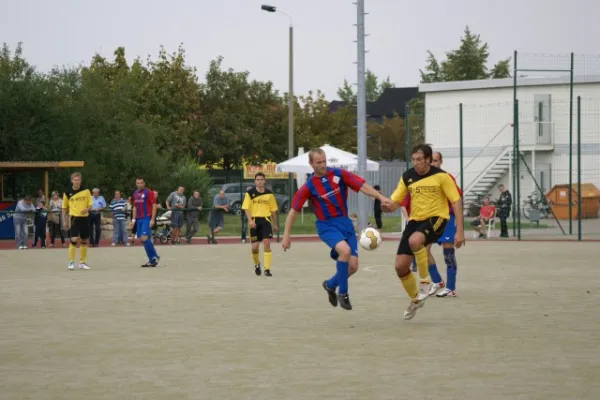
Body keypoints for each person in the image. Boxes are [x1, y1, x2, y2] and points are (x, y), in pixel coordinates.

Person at [281, 147, 392, 311]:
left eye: (324, 161)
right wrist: (286, 235)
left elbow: (363, 186)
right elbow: (293, 211)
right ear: (310, 164)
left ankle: (330, 285)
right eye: (318, 162)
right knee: (345, 251)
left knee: (353, 266)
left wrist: (381, 197)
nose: (323, 165)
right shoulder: (308, 186)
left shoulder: (338, 174)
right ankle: (344, 294)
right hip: (327, 226)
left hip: (345, 224)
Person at [382, 144, 464, 320]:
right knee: (400, 266)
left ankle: (426, 282)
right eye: (413, 159)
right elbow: (396, 201)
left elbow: (456, 202)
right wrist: (387, 207)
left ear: (428, 160)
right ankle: (416, 300)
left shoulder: (441, 177)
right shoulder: (407, 177)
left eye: (419, 159)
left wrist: (460, 231)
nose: (415, 163)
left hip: (437, 218)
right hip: (415, 221)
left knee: (415, 241)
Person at [403, 151, 463, 297]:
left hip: (446, 218)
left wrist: (459, 230)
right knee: (422, 250)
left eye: (436, 161)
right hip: (429, 220)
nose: (433, 164)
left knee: (448, 254)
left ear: (440, 162)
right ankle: (437, 281)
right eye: (431, 161)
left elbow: (457, 200)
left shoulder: (446, 178)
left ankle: (451, 287)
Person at [242, 173, 279, 277]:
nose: (259, 181)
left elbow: (273, 210)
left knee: (267, 242)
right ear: (255, 181)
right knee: (255, 247)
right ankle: (257, 264)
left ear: (264, 181)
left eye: (261, 179)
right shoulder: (249, 193)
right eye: (257, 180)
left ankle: (267, 269)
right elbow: (246, 208)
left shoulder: (269, 194)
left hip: (266, 220)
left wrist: (275, 224)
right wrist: (250, 220)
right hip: (254, 221)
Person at [62, 172, 93, 270]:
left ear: (80, 180)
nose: (77, 182)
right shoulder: (67, 192)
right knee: (74, 239)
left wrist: (87, 209)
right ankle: (71, 261)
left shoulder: (86, 191)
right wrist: (64, 220)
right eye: (75, 180)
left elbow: (90, 205)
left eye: (78, 180)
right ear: (72, 181)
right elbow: (64, 208)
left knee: (84, 240)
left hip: (85, 218)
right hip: (74, 218)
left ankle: (82, 262)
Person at [131, 177, 160, 267]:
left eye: (141, 183)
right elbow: (135, 207)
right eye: (138, 183)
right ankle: (151, 260)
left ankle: (155, 256)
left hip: (146, 218)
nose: (139, 184)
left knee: (144, 237)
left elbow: (154, 206)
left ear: (144, 183)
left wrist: (152, 219)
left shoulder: (148, 192)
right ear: (136, 184)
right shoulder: (135, 193)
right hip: (139, 219)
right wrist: (133, 220)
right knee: (143, 240)